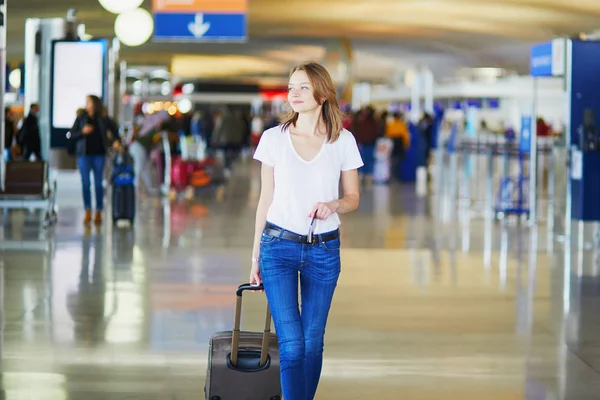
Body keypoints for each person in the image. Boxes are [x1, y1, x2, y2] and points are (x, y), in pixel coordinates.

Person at [250, 61, 363, 400]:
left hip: (324, 251)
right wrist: (254, 255)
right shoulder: (273, 139)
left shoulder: (342, 141)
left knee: (313, 343)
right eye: (291, 87)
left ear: (322, 93)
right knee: (293, 344)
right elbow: (264, 201)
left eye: (302, 87)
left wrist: (334, 204)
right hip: (277, 248)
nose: (294, 94)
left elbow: (354, 197)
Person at [70, 95, 120, 225]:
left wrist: (116, 141)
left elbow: (115, 131)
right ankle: (87, 210)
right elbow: (72, 134)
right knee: (86, 183)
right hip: (84, 155)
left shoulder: (103, 119)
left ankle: (99, 210)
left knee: (98, 183)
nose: (87, 105)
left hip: (99, 154)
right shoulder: (81, 118)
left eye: (89, 102)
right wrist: (82, 132)